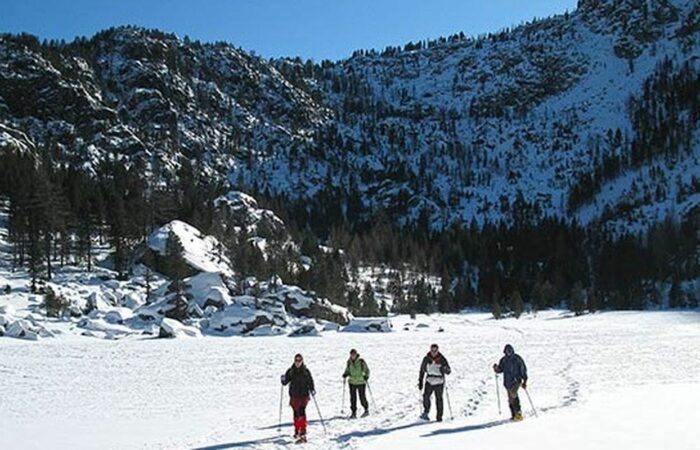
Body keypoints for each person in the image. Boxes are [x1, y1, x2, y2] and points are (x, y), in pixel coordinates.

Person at [281, 353, 315, 442]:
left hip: (304, 395)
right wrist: (283, 380)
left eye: (299, 360)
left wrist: (312, 389)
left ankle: (303, 431)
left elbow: (310, 381)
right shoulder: (290, 371)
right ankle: (297, 430)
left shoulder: (306, 371)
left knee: (302, 412)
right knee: (296, 413)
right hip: (294, 395)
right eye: (296, 360)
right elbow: (285, 382)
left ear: (302, 361)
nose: (298, 362)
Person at [493, 344, 528, 421]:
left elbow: (523, 369)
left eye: (509, 351)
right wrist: (496, 369)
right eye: (507, 351)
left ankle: (518, 413)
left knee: (513, 394)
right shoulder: (504, 360)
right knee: (510, 398)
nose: (508, 352)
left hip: (516, 380)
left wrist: (525, 381)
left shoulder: (517, 359)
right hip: (507, 382)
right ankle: (513, 414)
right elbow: (500, 369)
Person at [418, 343, 451, 421]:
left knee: (439, 399)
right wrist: (420, 381)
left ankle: (439, 417)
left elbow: (449, 371)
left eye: (435, 350)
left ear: (437, 350)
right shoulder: (426, 359)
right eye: (432, 350)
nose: (433, 352)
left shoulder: (442, 359)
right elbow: (422, 370)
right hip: (429, 380)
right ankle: (426, 412)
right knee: (426, 396)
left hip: (439, 381)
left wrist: (445, 369)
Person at [342, 349, 370, 418]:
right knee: (353, 398)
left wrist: (366, 376)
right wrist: (345, 374)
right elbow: (347, 370)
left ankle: (366, 409)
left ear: (356, 354)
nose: (352, 356)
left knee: (362, 397)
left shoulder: (361, 361)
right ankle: (353, 412)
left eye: (354, 354)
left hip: (361, 382)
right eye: (351, 354)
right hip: (352, 382)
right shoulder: (349, 362)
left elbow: (367, 370)